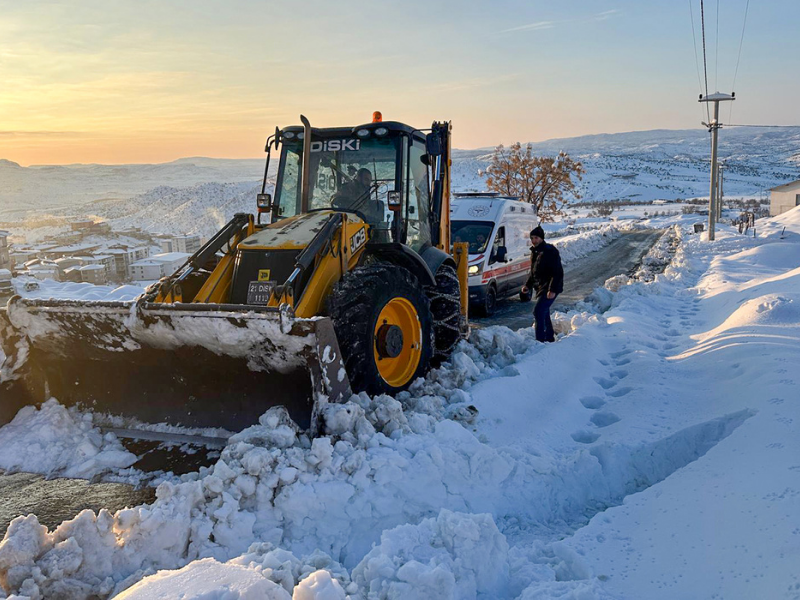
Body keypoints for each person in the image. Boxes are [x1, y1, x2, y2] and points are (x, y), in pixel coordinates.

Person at [522, 226, 563, 343]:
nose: (534, 240)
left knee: (539, 311)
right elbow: (534, 271)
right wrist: (527, 285)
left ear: (542, 238)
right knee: (543, 312)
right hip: (540, 287)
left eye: (536, 238)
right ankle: (549, 337)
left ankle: (540, 340)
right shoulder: (535, 252)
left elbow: (557, 272)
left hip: (550, 287)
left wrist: (552, 289)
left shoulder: (550, 251)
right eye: (532, 238)